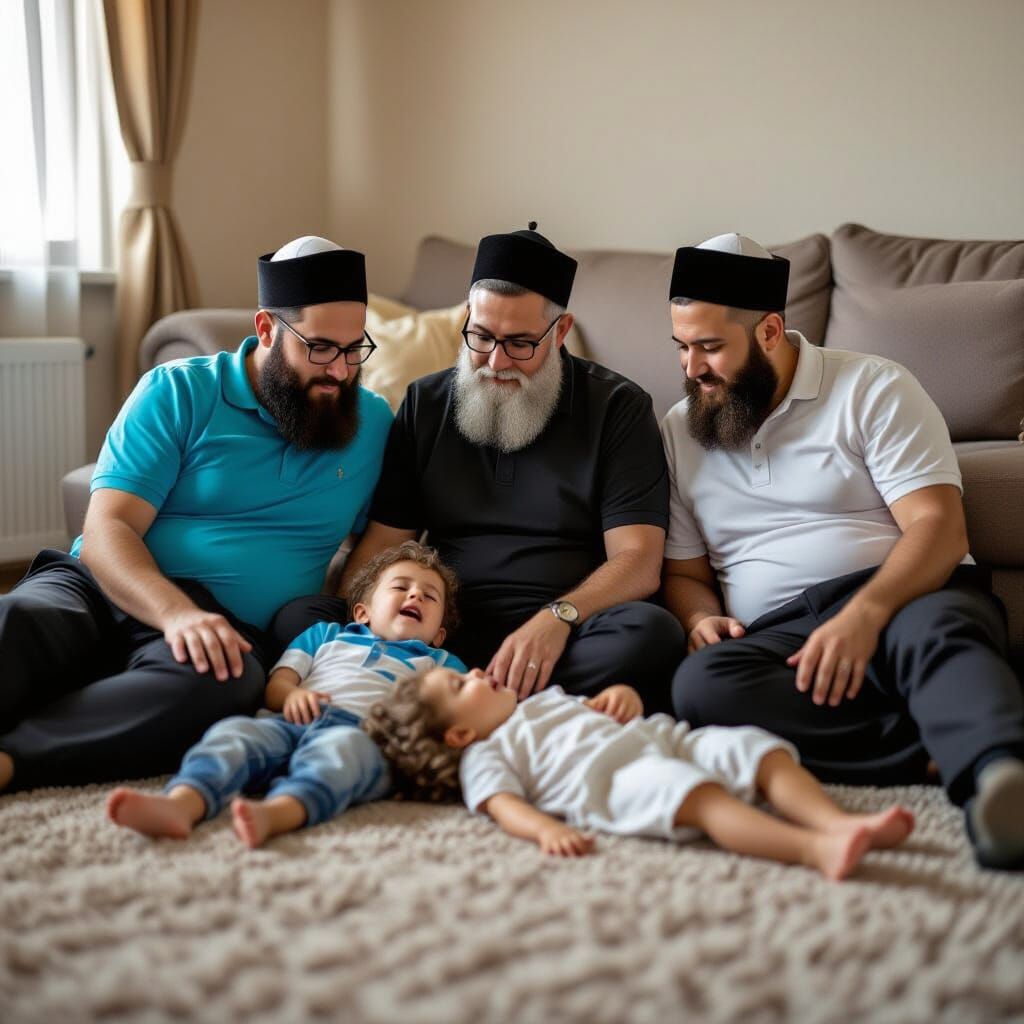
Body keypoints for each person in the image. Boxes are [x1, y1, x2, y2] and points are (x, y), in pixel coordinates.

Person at [660, 232, 1024, 870]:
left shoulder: (874, 386)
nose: (692, 368)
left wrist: (866, 615)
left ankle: (999, 781)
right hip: (781, 634)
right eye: (682, 347)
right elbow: (685, 572)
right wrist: (697, 616)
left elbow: (940, 528)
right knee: (701, 688)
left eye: (710, 347)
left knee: (939, 633)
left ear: (769, 331)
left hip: (908, 592)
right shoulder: (679, 428)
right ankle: (946, 742)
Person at [0, 236, 393, 793]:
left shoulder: (371, 424)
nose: (341, 371)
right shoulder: (178, 390)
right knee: (15, 622)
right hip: (102, 588)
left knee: (219, 691)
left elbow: (379, 542)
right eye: (321, 348)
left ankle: (15, 760)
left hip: (225, 633)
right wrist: (174, 612)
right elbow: (107, 524)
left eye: (355, 350)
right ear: (266, 329)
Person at [341, 223, 686, 711]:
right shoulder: (426, 402)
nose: (496, 361)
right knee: (305, 619)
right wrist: (341, 627)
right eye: (481, 337)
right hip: (446, 625)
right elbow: (383, 542)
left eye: (521, 343)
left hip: (570, 626)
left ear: (560, 332)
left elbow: (638, 562)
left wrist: (556, 619)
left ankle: (459, 698)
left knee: (650, 634)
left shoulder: (619, 407)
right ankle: (534, 706)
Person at [363, 666, 916, 880]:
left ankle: (834, 822)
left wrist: (622, 694)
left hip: (662, 738)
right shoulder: (488, 754)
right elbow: (499, 804)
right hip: (617, 782)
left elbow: (605, 706)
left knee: (757, 750)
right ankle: (810, 850)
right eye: (462, 687)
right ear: (458, 736)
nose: (477, 672)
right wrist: (542, 829)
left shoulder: (539, 701)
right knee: (701, 798)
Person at [107, 542, 465, 847]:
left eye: (429, 595)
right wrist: (290, 696)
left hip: (363, 735)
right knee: (234, 733)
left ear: (439, 635)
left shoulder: (440, 662)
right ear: (362, 612)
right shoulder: (325, 635)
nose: (415, 594)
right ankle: (184, 802)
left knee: (342, 755)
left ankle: (279, 813)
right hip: (290, 721)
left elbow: (464, 707)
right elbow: (278, 683)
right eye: (400, 587)